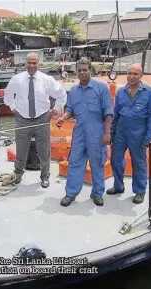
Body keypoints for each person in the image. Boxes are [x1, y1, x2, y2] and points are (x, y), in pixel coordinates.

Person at [4, 52, 67, 188]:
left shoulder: (47, 79)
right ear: (25, 63)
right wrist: (13, 107)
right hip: (22, 119)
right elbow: (7, 95)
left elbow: (61, 94)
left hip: (42, 119)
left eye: (34, 63)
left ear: (39, 63)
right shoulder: (17, 79)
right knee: (21, 149)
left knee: (44, 150)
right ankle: (18, 174)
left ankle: (45, 176)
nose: (32, 65)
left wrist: (55, 108)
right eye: (29, 62)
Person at [57, 58, 113, 207]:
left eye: (85, 70)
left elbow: (108, 113)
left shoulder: (101, 88)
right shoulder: (74, 90)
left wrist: (107, 132)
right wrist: (63, 117)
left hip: (97, 131)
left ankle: (97, 193)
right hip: (79, 131)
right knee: (75, 162)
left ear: (90, 70)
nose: (82, 73)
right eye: (79, 70)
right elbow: (70, 109)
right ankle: (71, 193)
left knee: (97, 163)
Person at [106, 64, 151, 204]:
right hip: (121, 131)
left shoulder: (150, 93)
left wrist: (148, 137)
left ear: (141, 76)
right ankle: (118, 186)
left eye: (135, 74)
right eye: (129, 73)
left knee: (139, 163)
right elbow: (115, 113)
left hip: (139, 132)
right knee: (115, 159)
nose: (131, 76)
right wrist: (111, 133)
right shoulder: (120, 92)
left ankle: (139, 191)